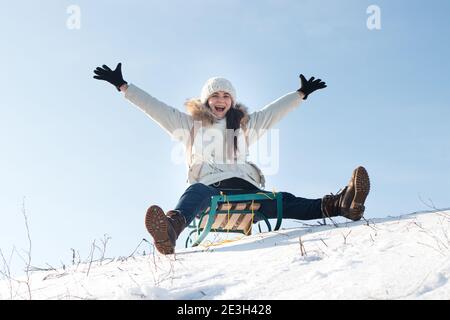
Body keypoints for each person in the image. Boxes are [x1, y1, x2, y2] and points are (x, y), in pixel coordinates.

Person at [93, 63, 370, 255]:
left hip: (247, 191)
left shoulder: (244, 126)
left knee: (283, 200)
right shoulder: (189, 125)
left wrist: (300, 95)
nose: (221, 99)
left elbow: (274, 112)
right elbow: (154, 108)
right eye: (215, 95)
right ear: (206, 100)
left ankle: (343, 205)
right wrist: (123, 86)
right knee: (196, 190)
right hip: (212, 190)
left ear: (232, 101)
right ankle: (169, 230)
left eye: (226, 95)